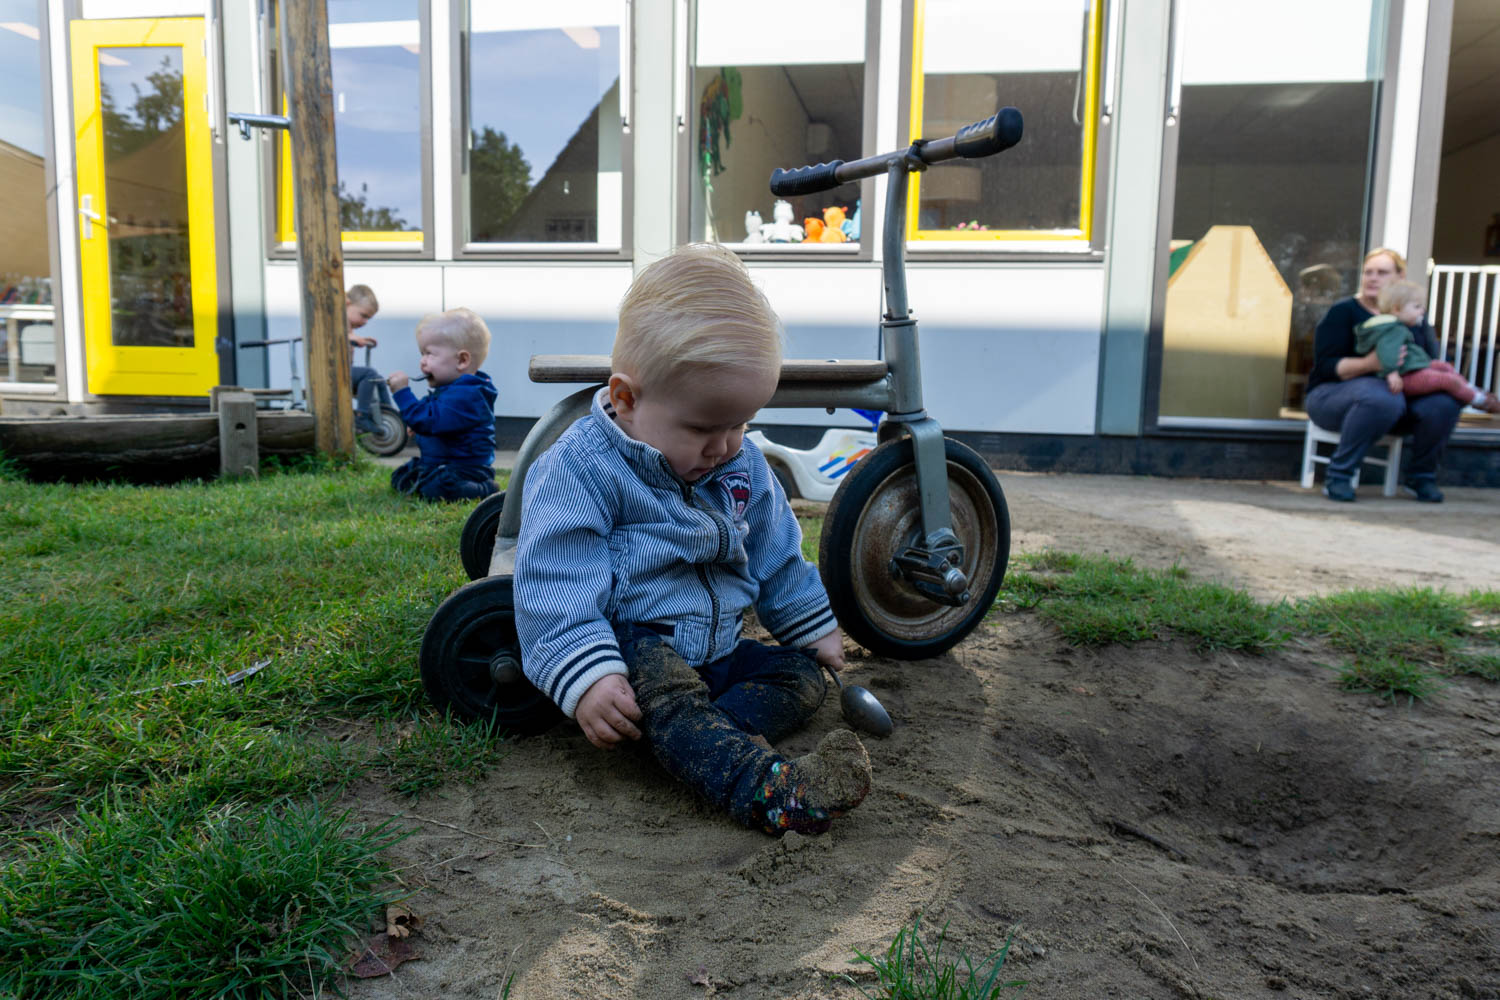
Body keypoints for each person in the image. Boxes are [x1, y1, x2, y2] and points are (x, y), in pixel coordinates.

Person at [513, 243, 872, 837]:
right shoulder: (582, 467)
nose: (725, 446)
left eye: (741, 423)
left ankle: (696, 742)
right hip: (637, 650)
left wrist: (811, 626)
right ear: (626, 399)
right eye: (705, 428)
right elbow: (556, 584)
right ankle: (764, 788)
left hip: (717, 650)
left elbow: (777, 552)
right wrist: (591, 676)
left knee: (800, 676)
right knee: (665, 693)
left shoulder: (740, 463)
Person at [1305, 248, 1464, 503]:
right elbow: (1326, 367)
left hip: (1398, 400)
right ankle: (1339, 475)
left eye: (1382, 272)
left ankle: (1421, 477)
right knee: (1381, 398)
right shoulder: (1343, 312)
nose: (1372, 278)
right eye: (1368, 272)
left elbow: (1427, 363)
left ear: (1400, 277)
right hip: (1332, 397)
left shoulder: (1414, 317)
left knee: (1443, 403)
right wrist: (1371, 363)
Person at [385, 308, 501, 502]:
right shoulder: (450, 389)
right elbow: (432, 411)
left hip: (466, 469)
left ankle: (485, 488)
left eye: (429, 354)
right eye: (422, 354)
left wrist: (402, 393)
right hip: (441, 463)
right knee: (402, 476)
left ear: (462, 360)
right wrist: (416, 424)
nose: (422, 362)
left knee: (436, 488)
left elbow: (429, 420)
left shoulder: (468, 395)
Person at [1355, 280, 1500, 412]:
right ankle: (1478, 400)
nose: (1422, 311)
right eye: (1417, 307)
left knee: (1443, 366)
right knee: (1446, 380)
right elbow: (1387, 352)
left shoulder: (1390, 326)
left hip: (1410, 369)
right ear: (1397, 309)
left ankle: (1471, 390)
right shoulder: (1393, 330)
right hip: (1404, 377)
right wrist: (1391, 373)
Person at [346, 284, 384, 432]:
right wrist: (354, 338)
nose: (365, 321)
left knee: (378, 379)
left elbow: (349, 336)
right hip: (335, 373)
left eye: (368, 318)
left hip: (346, 372)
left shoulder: (348, 326)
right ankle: (361, 416)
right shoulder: (335, 321)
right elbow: (336, 334)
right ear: (347, 304)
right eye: (363, 315)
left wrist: (360, 339)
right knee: (369, 373)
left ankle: (388, 413)